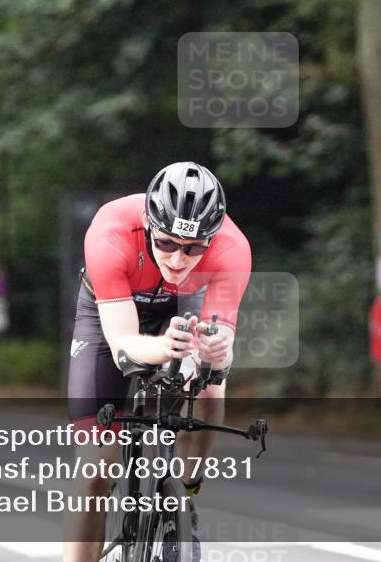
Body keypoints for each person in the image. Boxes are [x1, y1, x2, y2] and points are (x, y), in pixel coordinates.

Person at [63, 161, 252, 562]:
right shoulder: (111, 229)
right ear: (148, 225)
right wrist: (165, 347)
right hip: (111, 313)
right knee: (95, 472)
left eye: (193, 248)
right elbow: (123, 346)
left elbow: (225, 343)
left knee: (210, 388)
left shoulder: (232, 247)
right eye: (166, 243)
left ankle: (186, 489)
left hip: (184, 307)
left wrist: (217, 353)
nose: (179, 259)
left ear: (212, 240)